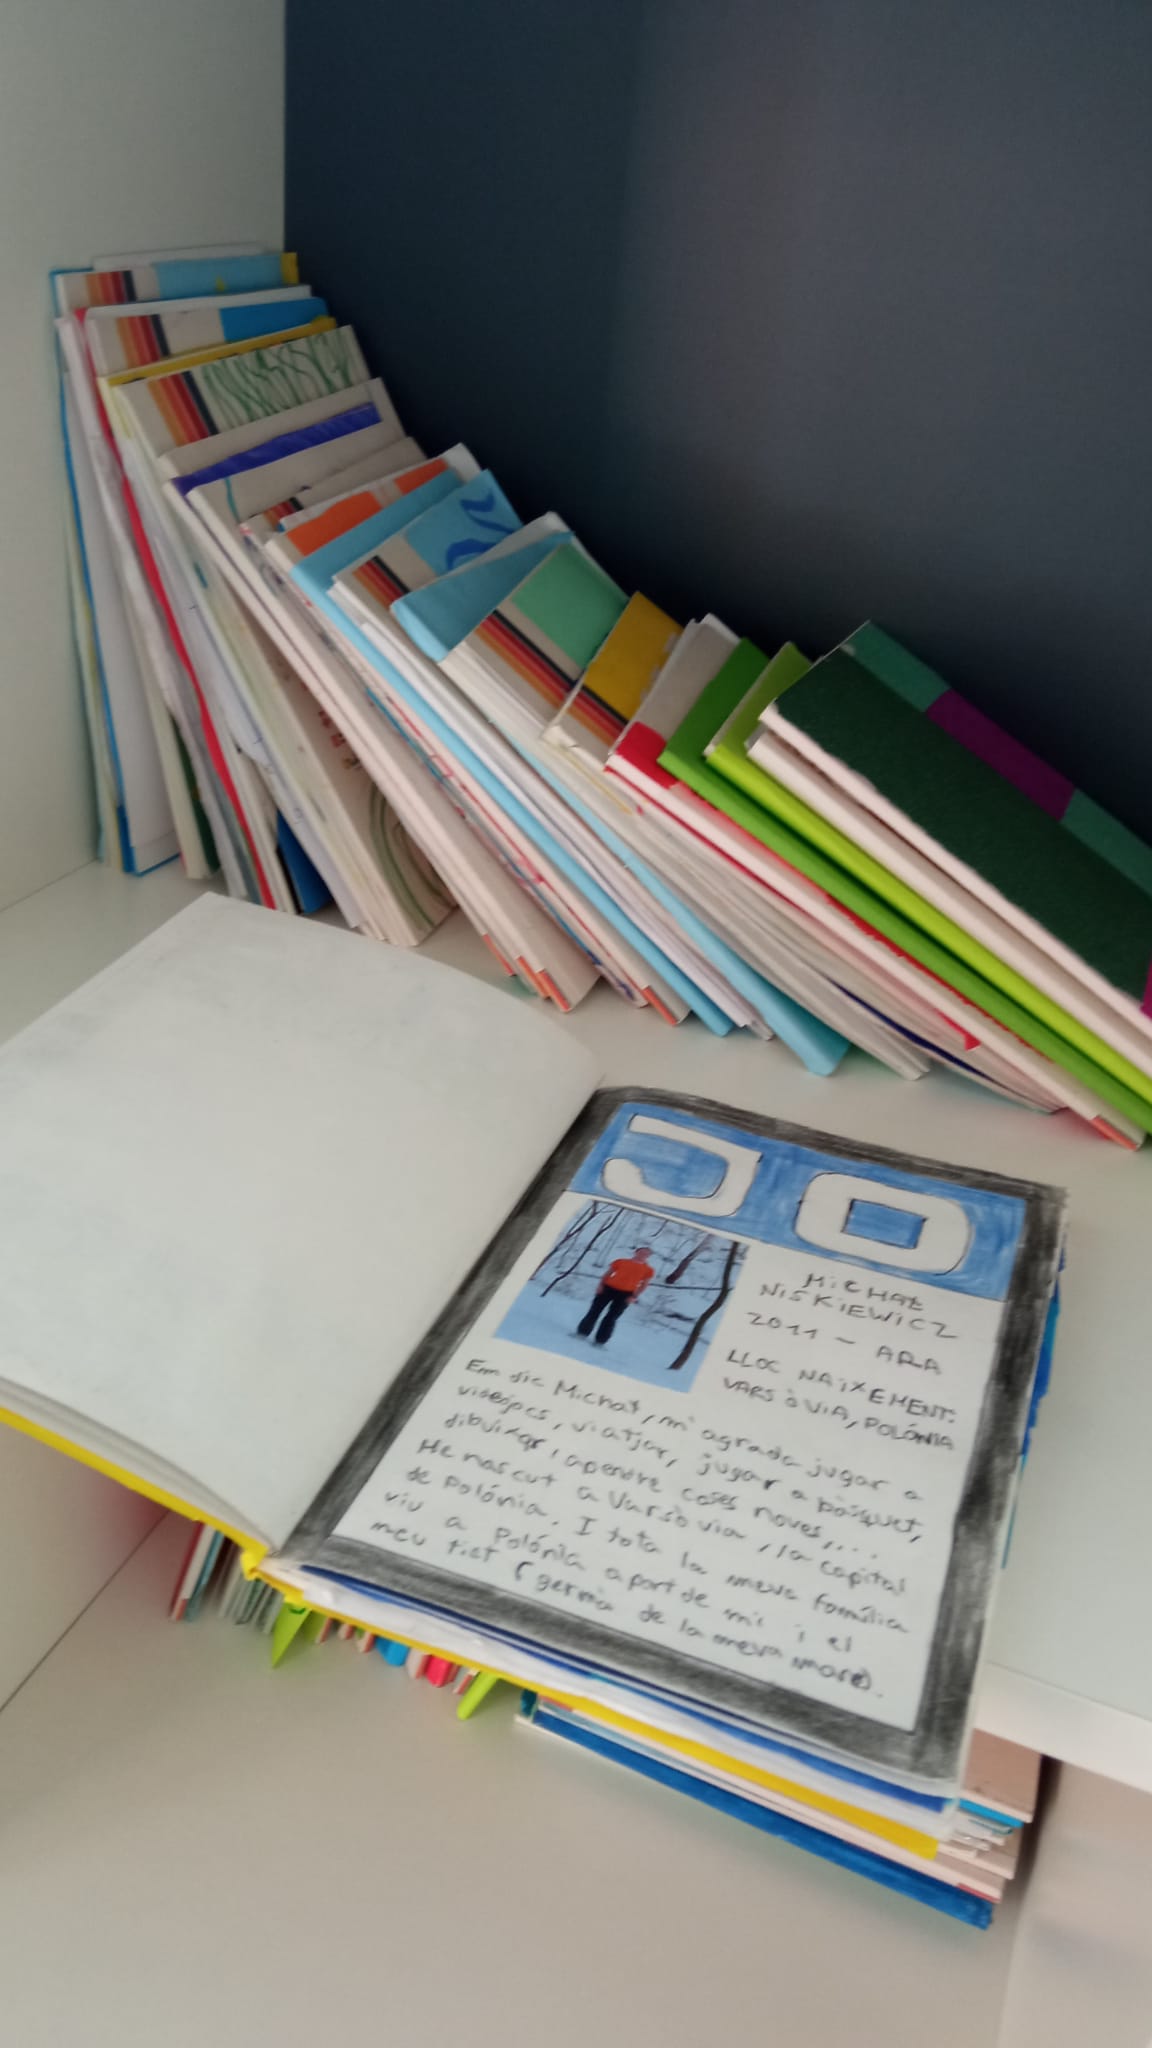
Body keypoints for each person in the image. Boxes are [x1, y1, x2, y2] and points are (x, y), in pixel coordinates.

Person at [576, 1245, 655, 1346]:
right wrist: (601, 1285)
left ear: (648, 1256)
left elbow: (644, 1285)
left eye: (646, 1254)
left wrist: (634, 1296)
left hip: (626, 1294)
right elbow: (607, 1274)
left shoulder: (648, 1270)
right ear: (636, 1252)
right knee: (594, 1311)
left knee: (612, 1317)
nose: (643, 1255)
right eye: (641, 1252)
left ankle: (600, 1341)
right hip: (608, 1289)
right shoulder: (621, 1261)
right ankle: (582, 1332)